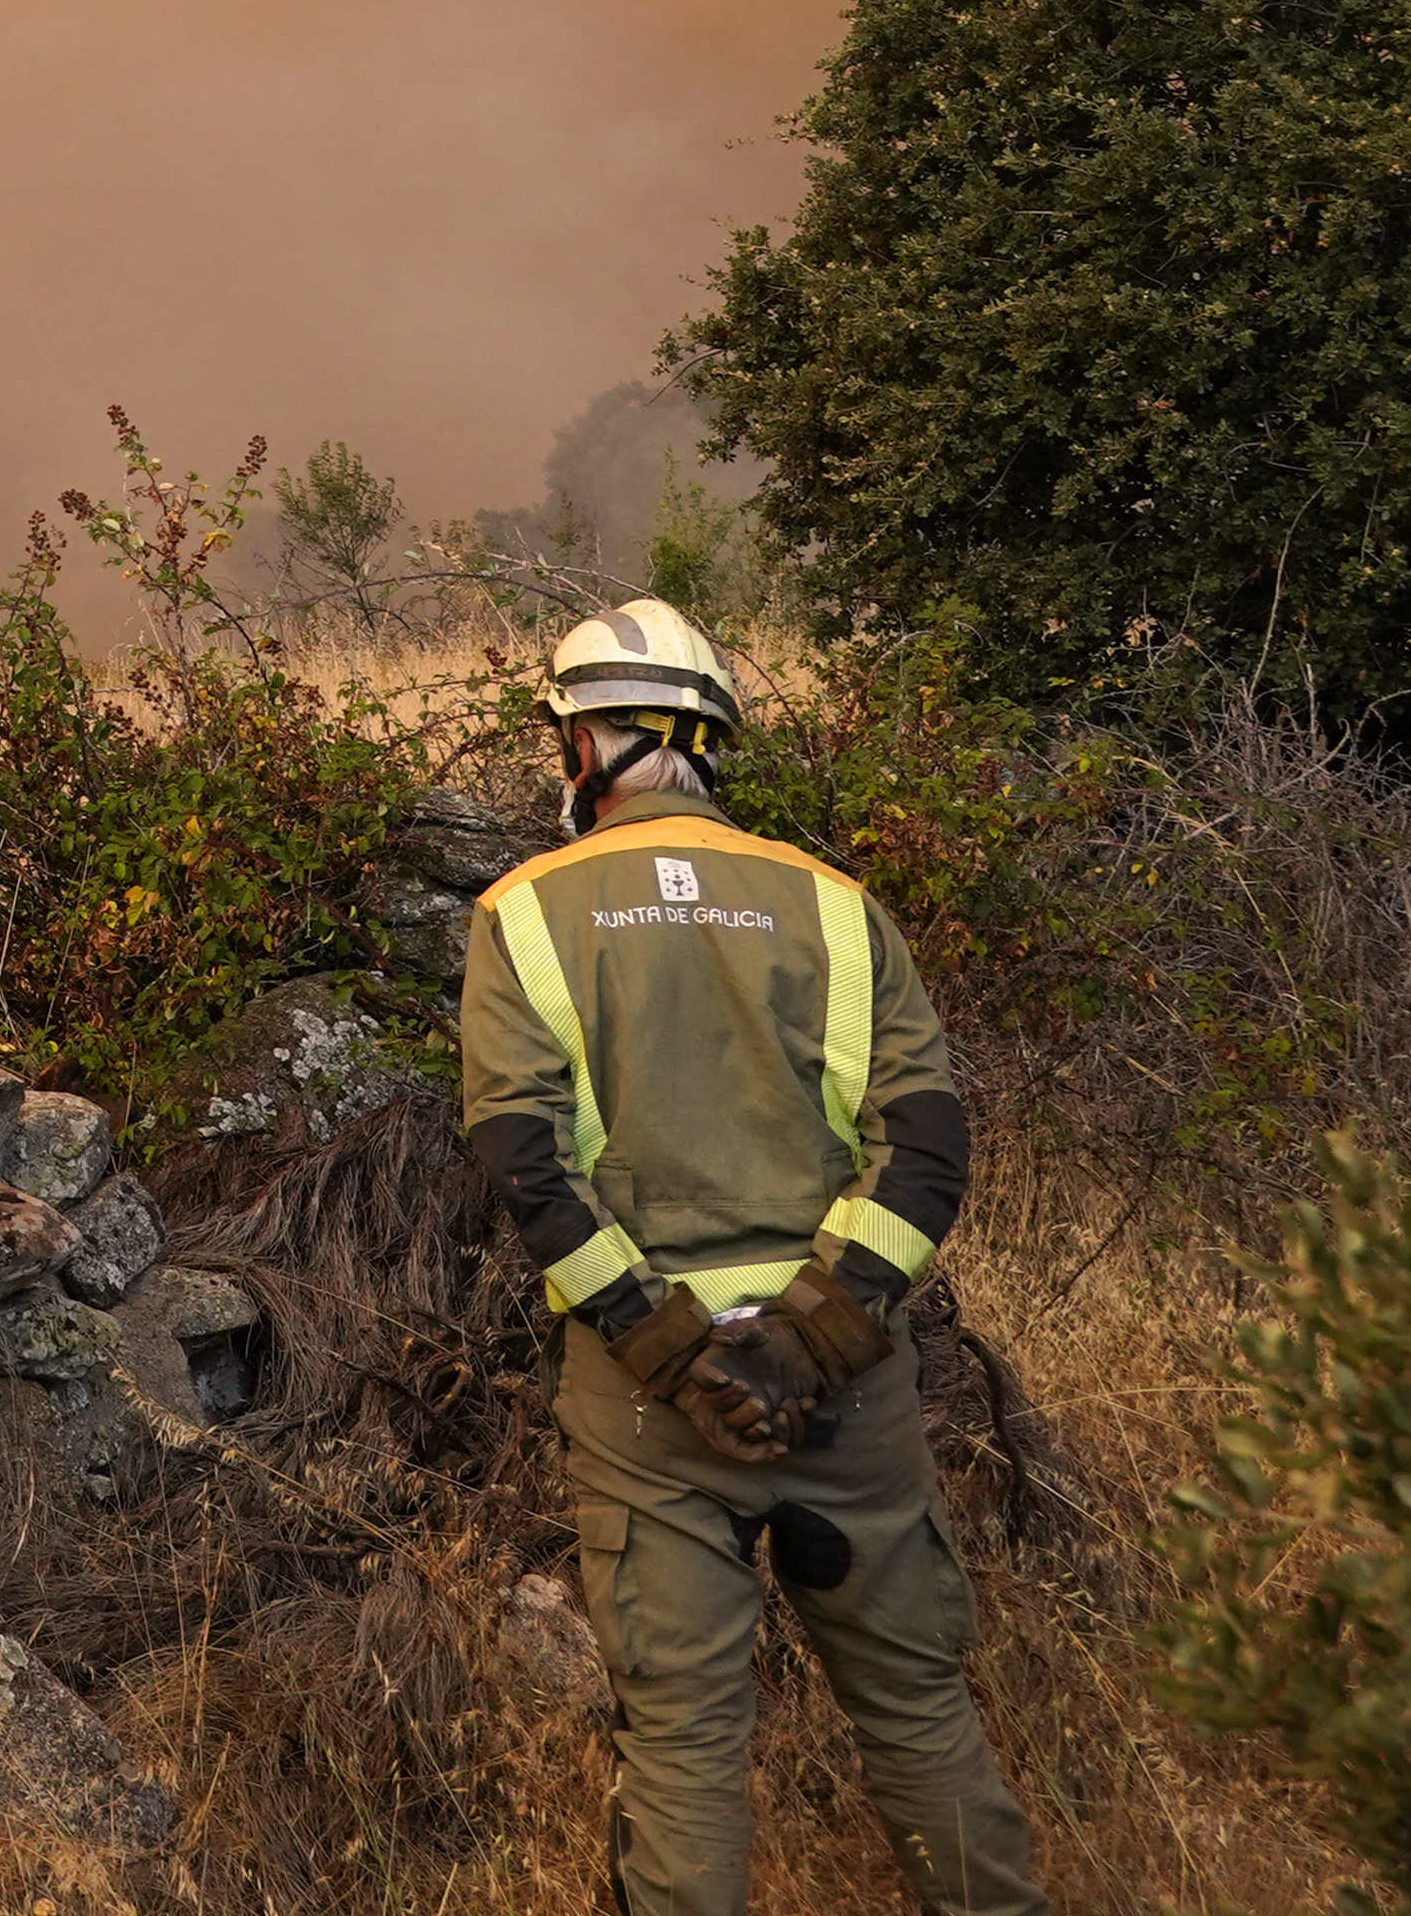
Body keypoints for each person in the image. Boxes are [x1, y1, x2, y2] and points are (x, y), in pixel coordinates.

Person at [464, 599, 1046, 1916]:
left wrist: (675, 1356)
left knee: (681, 1756)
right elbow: (927, 1149)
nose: (566, 760)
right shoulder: (836, 908)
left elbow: (528, 1168)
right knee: (916, 1715)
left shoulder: (522, 911)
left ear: (607, 743)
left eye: (571, 735)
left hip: (646, 1403)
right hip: (849, 1395)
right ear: (705, 740)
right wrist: (812, 1340)